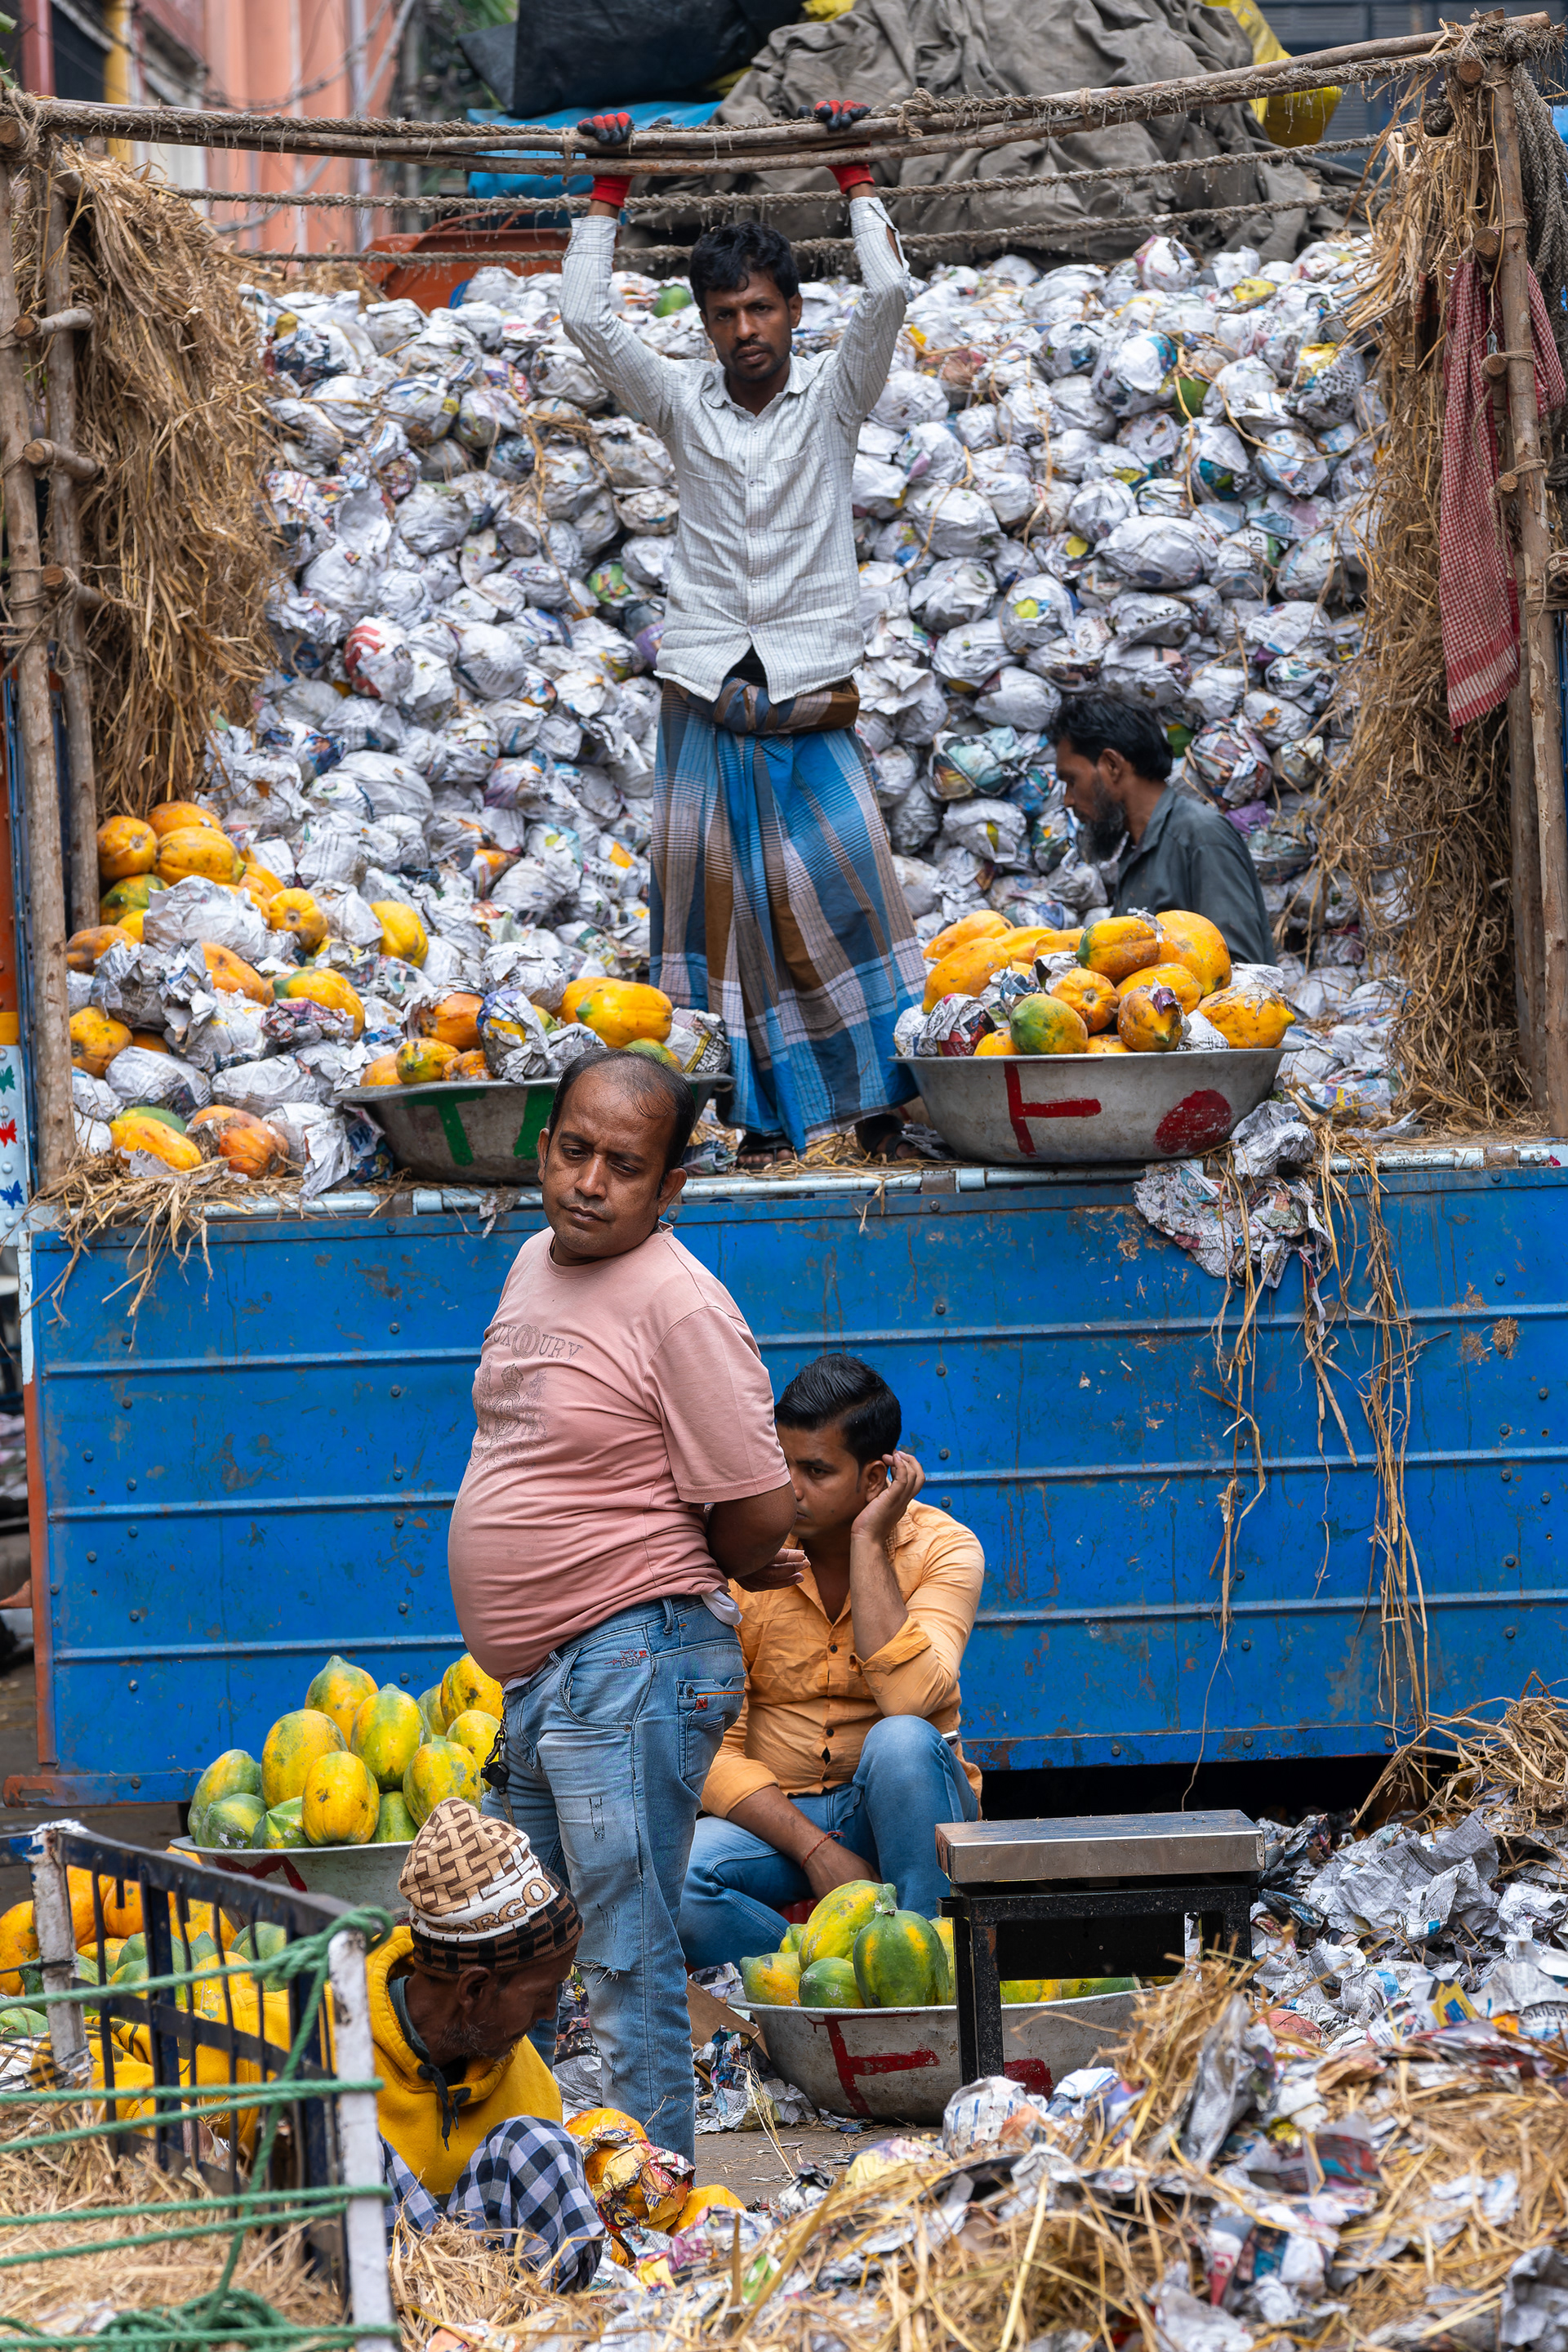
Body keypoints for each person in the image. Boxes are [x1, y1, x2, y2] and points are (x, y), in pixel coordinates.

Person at [446, 1048, 799, 2161]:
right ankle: (521, 2174)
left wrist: (638, 1560)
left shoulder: (680, 1301)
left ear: (670, 1188)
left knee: (621, 1944)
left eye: (625, 1166)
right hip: (552, 1675)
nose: (591, 1182)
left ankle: (659, 2207)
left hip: (634, 1658)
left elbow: (755, 1510)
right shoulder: (534, 1264)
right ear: (543, 1149)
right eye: (576, 1151)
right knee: (511, 1941)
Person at [560, 105, 924, 1164]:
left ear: (795, 312)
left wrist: (852, 174)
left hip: (809, 691)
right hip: (707, 695)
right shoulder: (682, 406)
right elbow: (586, 315)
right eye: (725, 314)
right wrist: (608, 191)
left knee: (847, 900)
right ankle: (761, 1119)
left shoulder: (834, 400)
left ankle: (881, 1102)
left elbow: (891, 290)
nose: (745, 331)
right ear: (706, 322)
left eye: (762, 309)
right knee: (736, 926)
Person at [678, 1354, 983, 1970]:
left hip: (901, 1809)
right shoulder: (745, 1555)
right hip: (779, 1818)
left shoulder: (944, 1550)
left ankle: (931, 1984)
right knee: (678, 1878)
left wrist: (868, 1541)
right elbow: (710, 1749)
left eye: (815, 1470)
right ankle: (825, 1977)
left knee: (900, 1741)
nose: (789, 1488)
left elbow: (912, 1703)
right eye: (780, 1463)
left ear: (876, 1480)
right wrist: (816, 1849)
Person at [375, 1799, 604, 2287]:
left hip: (483, 2310)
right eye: (544, 1994)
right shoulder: (312, 2032)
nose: (551, 2015)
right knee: (332, 2130)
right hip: (370, 2308)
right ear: (475, 1990)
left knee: (541, 2146)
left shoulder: (531, 2088)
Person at [1053, 693, 1276, 966]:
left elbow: (1238, 972)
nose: (1068, 800)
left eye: (1071, 780)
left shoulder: (1200, 836)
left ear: (1112, 765)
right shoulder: (1137, 851)